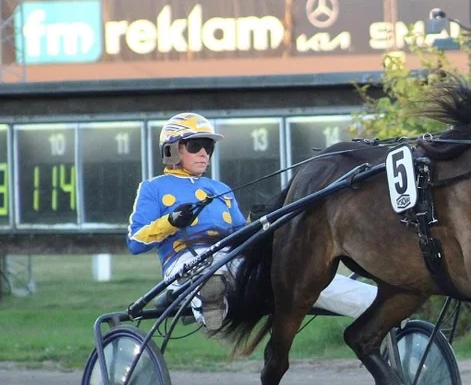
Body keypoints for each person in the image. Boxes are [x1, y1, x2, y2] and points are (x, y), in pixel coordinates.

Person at [126, 111, 378, 333]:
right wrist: (171, 221)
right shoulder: (153, 188)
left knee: (299, 272)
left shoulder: (219, 188)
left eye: (209, 147)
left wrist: (257, 223)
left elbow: (241, 234)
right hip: (185, 262)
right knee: (213, 268)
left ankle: (373, 302)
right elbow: (135, 242)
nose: (204, 153)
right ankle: (201, 296)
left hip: (233, 258)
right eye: (195, 146)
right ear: (172, 149)